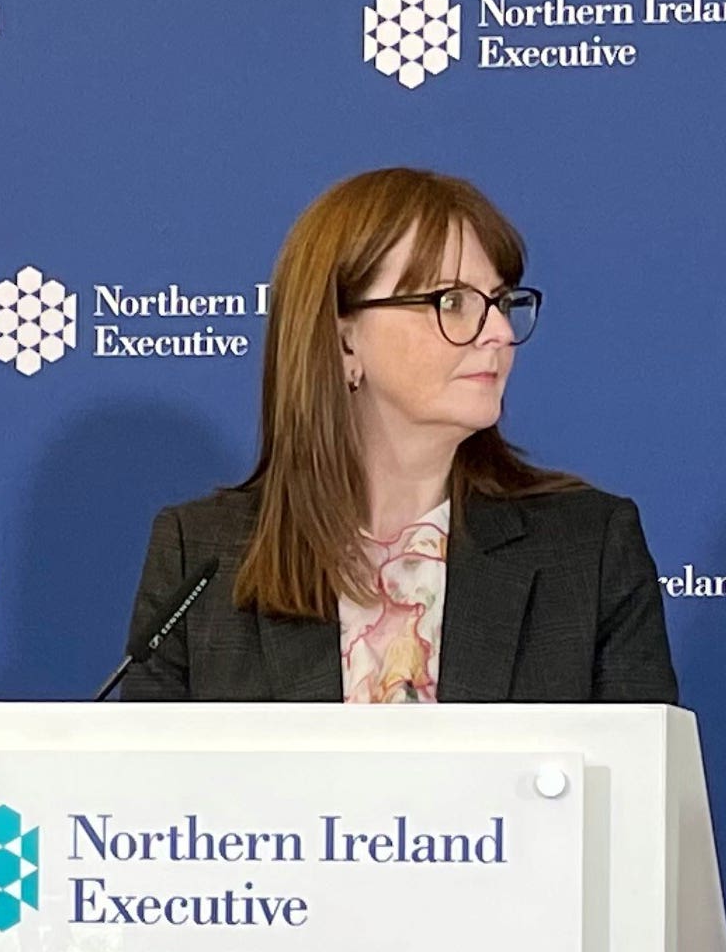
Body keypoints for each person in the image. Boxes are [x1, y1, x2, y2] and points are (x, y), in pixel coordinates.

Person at [113, 167, 678, 704]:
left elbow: (639, 792)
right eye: (452, 302)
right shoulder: (201, 555)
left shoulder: (588, 549)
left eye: (502, 302)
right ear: (344, 343)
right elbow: (148, 796)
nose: (500, 333)